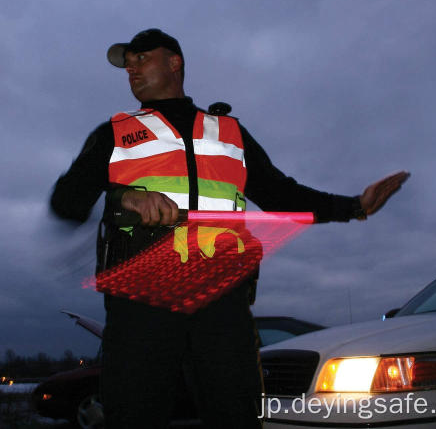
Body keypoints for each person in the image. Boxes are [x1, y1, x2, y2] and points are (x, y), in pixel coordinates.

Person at [50, 28, 409, 429]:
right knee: (134, 415)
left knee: (237, 416)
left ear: (174, 62)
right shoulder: (112, 134)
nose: (131, 69)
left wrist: (355, 207)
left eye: (140, 58)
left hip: (222, 304)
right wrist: (123, 198)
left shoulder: (230, 133)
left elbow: (282, 195)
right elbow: (65, 203)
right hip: (141, 304)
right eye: (127, 64)